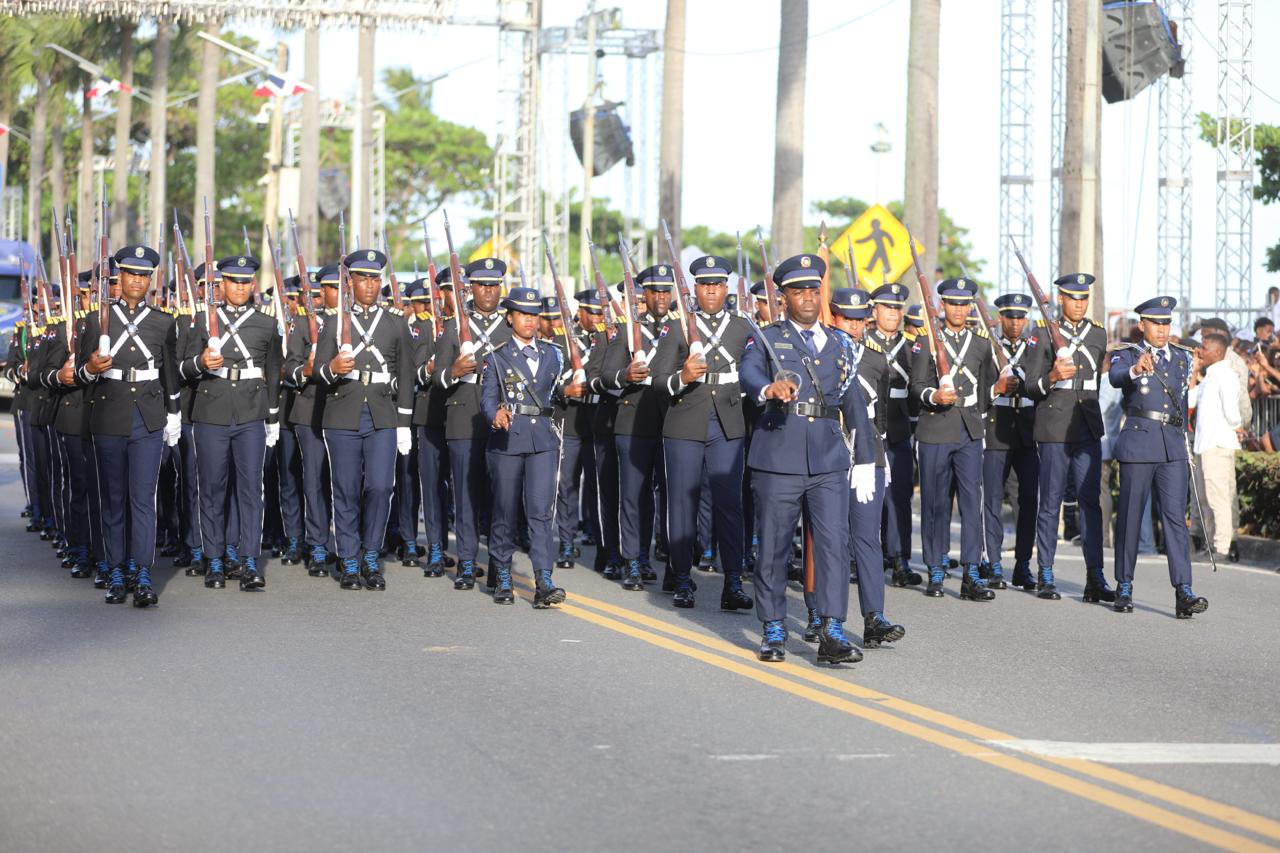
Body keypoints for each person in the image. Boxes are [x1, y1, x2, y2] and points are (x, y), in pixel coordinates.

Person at [739, 253, 877, 665]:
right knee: (774, 547)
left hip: (828, 460)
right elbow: (749, 374)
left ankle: (832, 630)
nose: (808, 299)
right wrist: (768, 390)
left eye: (814, 291)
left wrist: (866, 459)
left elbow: (854, 403)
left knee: (834, 546)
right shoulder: (765, 338)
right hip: (778, 455)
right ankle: (774, 628)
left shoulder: (841, 343)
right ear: (783, 298)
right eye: (798, 292)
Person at [75, 244, 181, 607]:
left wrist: (174, 414)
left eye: (143, 275)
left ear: (150, 279)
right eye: (131, 273)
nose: (137, 280)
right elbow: (78, 373)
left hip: (148, 419)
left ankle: (142, 571)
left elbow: (169, 372)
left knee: (143, 500)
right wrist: (90, 367)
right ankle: (115, 568)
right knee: (114, 498)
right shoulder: (95, 320)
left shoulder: (164, 322)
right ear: (118, 276)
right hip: (108, 414)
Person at [649, 255, 754, 610]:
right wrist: (684, 377)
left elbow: (755, 372)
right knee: (682, 503)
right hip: (685, 420)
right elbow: (658, 381)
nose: (711, 290)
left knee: (730, 505)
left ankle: (733, 582)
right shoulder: (677, 327)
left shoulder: (743, 327)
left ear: (727, 288)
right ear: (695, 288)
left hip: (727, 422)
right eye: (705, 285)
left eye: (718, 284)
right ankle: (681, 577)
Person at [313, 249, 415, 590]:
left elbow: (406, 374)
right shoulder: (333, 322)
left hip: (383, 414)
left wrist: (403, 423)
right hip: (343, 412)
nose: (369, 285)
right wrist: (332, 368)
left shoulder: (395, 324)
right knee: (344, 489)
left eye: (374, 279)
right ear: (350, 282)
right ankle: (350, 559)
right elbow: (317, 373)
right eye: (362, 278)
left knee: (380, 486)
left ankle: (372, 553)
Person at [179, 255, 283, 590]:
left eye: (245, 281)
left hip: (251, 414)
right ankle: (214, 559)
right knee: (211, 489)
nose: (239, 287)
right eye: (232, 281)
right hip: (211, 413)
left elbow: (274, 372)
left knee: (251, 489)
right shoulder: (201, 320)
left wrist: (272, 416)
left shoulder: (266, 324)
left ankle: (249, 559)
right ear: (221, 284)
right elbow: (182, 368)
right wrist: (200, 362)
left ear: (253, 284)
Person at [479, 286, 584, 607]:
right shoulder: (497, 356)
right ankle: (503, 574)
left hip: (543, 442)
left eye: (533, 315)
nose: (528, 321)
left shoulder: (554, 353)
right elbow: (487, 397)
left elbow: (552, 394)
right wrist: (493, 414)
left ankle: (543, 578)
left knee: (541, 513)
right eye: (522, 315)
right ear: (509, 318)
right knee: (505, 512)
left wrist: (569, 389)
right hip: (508, 439)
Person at [910, 278, 1013, 600]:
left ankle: (971, 571)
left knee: (972, 504)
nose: (959, 308)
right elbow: (916, 386)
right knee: (935, 503)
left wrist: (994, 392)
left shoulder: (981, 344)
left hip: (969, 430)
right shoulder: (926, 341)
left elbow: (984, 389)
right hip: (935, 429)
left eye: (964, 303)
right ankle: (936, 567)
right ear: (942, 305)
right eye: (953, 303)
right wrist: (933, 395)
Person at [1107, 296, 1208, 618]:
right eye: (1156, 323)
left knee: (1175, 519)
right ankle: (1124, 584)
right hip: (1140, 440)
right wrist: (1137, 370)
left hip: (1172, 446)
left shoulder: (1182, 358)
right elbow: (1116, 377)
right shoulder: (1127, 354)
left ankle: (1184, 590)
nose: (1162, 330)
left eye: (1166, 323)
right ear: (1142, 325)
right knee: (1131, 516)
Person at [1021, 274, 1113, 602]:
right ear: (1060, 299)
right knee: (1050, 502)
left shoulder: (1098, 333)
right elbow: (1030, 386)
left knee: (1091, 504)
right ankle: (1046, 573)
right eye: (1073, 298)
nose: (1079, 304)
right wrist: (1052, 376)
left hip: (1086, 427)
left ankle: (1095, 578)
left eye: (1083, 298)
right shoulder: (1042, 333)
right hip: (1053, 428)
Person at [825, 287, 906, 648]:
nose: (854, 327)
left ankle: (874, 616)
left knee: (867, 538)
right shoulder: (822, 352)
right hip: (829, 451)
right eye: (847, 319)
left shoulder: (876, 359)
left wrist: (876, 454)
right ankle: (824, 617)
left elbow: (881, 415)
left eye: (860, 321)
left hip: (867, 455)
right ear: (833, 316)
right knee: (831, 541)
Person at [432, 258, 513, 589]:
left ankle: (498, 563)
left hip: (500, 420)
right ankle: (467, 562)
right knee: (465, 495)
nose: (489, 292)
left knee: (500, 496)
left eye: (494, 286)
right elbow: (436, 377)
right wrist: (453, 371)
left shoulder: (510, 327)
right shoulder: (453, 327)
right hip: (464, 416)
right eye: (483, 286)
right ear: (471, 288)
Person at [599, 265, 675, 585]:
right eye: (654, 291)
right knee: (633, 494)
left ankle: (653, 556)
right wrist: (625, 376)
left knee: (667, 497)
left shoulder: (680, 330)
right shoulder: (627, 330)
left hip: (671, 420)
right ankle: (631, 559)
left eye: (665, 290)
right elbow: (606, 375)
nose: (660, 296)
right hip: (632, 420)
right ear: (642, 294)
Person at [981, 293, 1040, 591]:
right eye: (1010, 317)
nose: (1016, 323)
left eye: (1020, 318)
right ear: (1000, 318)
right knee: (992, 498)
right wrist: (997, 387)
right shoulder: (989, 346)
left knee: (1027, 501)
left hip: (1027, 431)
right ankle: (992, 562)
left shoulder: (1035, 348)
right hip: (996, 429)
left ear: (1026, 319)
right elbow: (981, 388)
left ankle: (1022, 565)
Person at [283, 264, 338, 575]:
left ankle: (346, 543)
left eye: (337, 287)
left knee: (344, 482)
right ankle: (317, 543)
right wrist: (307, 367)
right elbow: (289, 371)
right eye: (328, 288)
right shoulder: (305, 323)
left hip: (346, 410)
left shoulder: (356, 323)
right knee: (315, 479)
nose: (332, 294)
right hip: (310, 410)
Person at [866, 282, 921, 587]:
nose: (894, 314)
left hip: (899, 426)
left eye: (898, 308)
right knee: (866, 496)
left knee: (899, 495)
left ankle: (900, 558)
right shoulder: (863, 343)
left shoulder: (912, 346)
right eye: (887, 307)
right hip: (870, 425)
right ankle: (861, 558)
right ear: (874, 310)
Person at [1188, 331, 1242, 561]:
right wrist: (1195, 370)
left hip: (1218, 445)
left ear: (1218, 351)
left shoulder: (1225, 375)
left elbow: (1232, 412)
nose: (1200, 350)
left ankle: (1221, 547)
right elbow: (1190, 400)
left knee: (1218, 498)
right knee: (1205, 498)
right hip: (1205, 446)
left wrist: (1236, 425)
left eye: (1205, 347)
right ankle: (1210, 545)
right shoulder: (1210, 374)